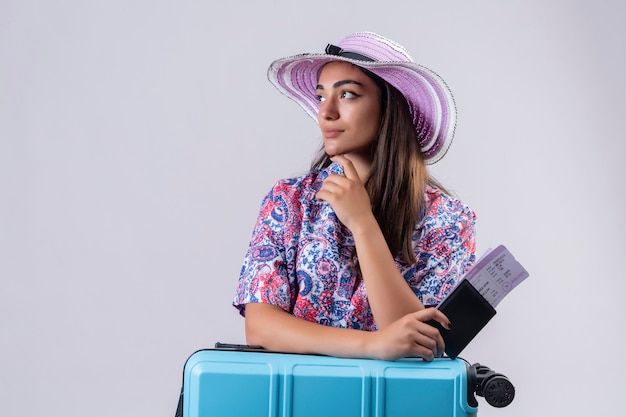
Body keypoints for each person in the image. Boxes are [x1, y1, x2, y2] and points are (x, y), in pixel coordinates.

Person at [232, 32, 476, 361]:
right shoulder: (290, 201)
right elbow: (260, 329)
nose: (326, 113)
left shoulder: (448, 220)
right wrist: (372, 345)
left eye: (347, 94)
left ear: (390, 106)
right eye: (321, 97)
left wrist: (362, 224)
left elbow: (423, 344)